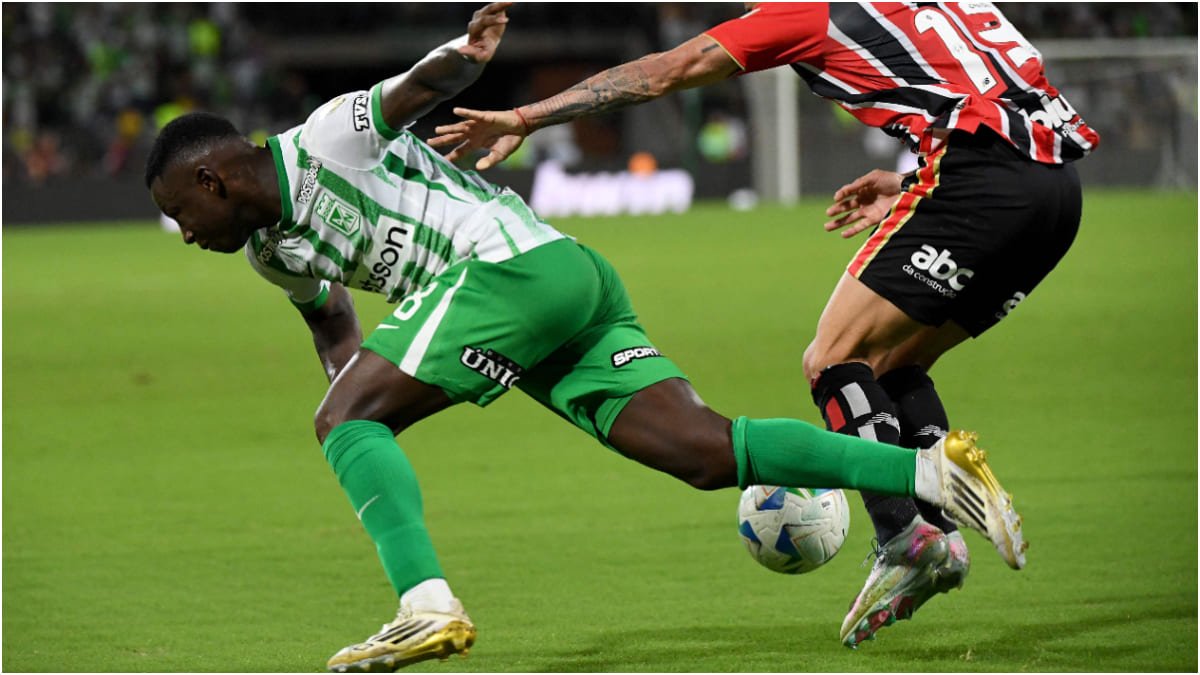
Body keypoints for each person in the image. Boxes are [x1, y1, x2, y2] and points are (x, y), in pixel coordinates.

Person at [144, 4, 1025, 672]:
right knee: (704, 452)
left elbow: (410, 93)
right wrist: (371, 409)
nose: (184, 233)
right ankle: (931, 470)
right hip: (556, 287)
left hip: (507, 272)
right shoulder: (273, 252)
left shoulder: (322, 141)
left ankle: (426, 602)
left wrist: (466, 55)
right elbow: (335, 331)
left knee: (340, 422)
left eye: (179, 211)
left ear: (211, 178)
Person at [429, 1, 1098, 649]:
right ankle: (939, 531)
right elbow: (1010, 97)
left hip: (981, 183)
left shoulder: (809, 11)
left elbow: (664, 72)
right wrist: (910, 178)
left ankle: (908, 537)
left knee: (835, 361)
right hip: (1056, 195)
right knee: (894, 365)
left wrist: (526, 115)